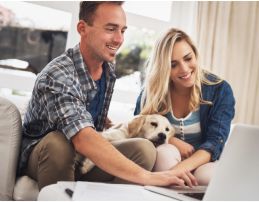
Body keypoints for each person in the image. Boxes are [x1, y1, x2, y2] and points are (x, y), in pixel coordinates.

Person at [18, 2, 197, 190]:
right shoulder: (58, 74)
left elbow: (91, 125)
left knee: (144, 149)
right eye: (111, 29)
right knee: (59, 143)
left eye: (123, 30)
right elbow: (83, 138)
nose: (119, 39)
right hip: (46, 157)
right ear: (82, 28)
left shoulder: (107, 68)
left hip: (82, 157)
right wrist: (150, 177)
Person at [134, 28, 235, 185]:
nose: (184, 69)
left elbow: (214, 143)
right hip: (165, 159)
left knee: (206, 178)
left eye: (188, 58)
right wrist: (172, 140)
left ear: (195, 54)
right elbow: (137, 130)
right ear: (164, 68)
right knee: (165, 155)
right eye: (173, 65)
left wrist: (175, 172)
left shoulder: (220, 89)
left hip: (204, 161)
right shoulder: (152, 92)